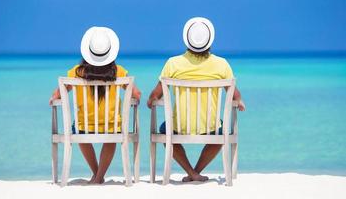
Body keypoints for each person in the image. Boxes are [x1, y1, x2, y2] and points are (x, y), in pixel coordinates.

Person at [147, 17, 245, 182]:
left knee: (165, 129)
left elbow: (156, 95)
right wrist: (240, 101)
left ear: (187, 41)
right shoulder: (221, 64)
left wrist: (151, 100)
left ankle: (191, 173)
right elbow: (235, 95)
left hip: (179, 126)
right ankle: (195, 172)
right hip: (210, 127)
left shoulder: (173, 64)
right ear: (209, 42)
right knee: (222, 133)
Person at [49, 27, 141, 184]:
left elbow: (57, 94)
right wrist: (135, 100)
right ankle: (99, 176)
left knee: (78, 133)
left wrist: (53, 98)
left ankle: (96, 175)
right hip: (111, 126)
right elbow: (137, 94)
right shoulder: (119, 71)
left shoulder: (75, 73)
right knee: (111, 137)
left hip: (83, 126)